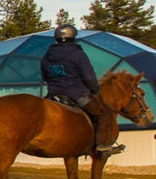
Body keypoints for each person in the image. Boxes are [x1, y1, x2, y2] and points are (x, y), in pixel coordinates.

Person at [40, 23, 124, 156]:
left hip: (54, 95)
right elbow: (89, 77)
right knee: (102, 114)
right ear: (73, 36)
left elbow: (45, 76)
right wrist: (95, 90)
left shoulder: (46, 56)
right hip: (77, 94)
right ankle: (101, 146)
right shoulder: (78, 54)